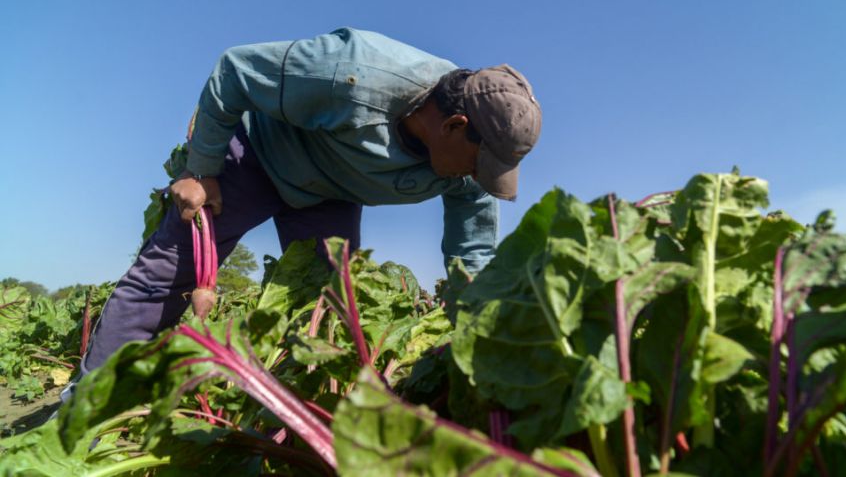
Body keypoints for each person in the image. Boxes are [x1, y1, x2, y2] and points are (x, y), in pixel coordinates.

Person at [77, 27, 542, 379]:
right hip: (259, 157)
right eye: (479, 164)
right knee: (165, 277)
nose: (478, 179)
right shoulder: (354, 71)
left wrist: (483, 328)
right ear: (455, 126)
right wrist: (201, 170)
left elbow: (474, 259)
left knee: (325, 311)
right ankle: (85, 408)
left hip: (330, 195)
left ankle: (279, 405)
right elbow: (235, 71)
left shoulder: (469, 175)